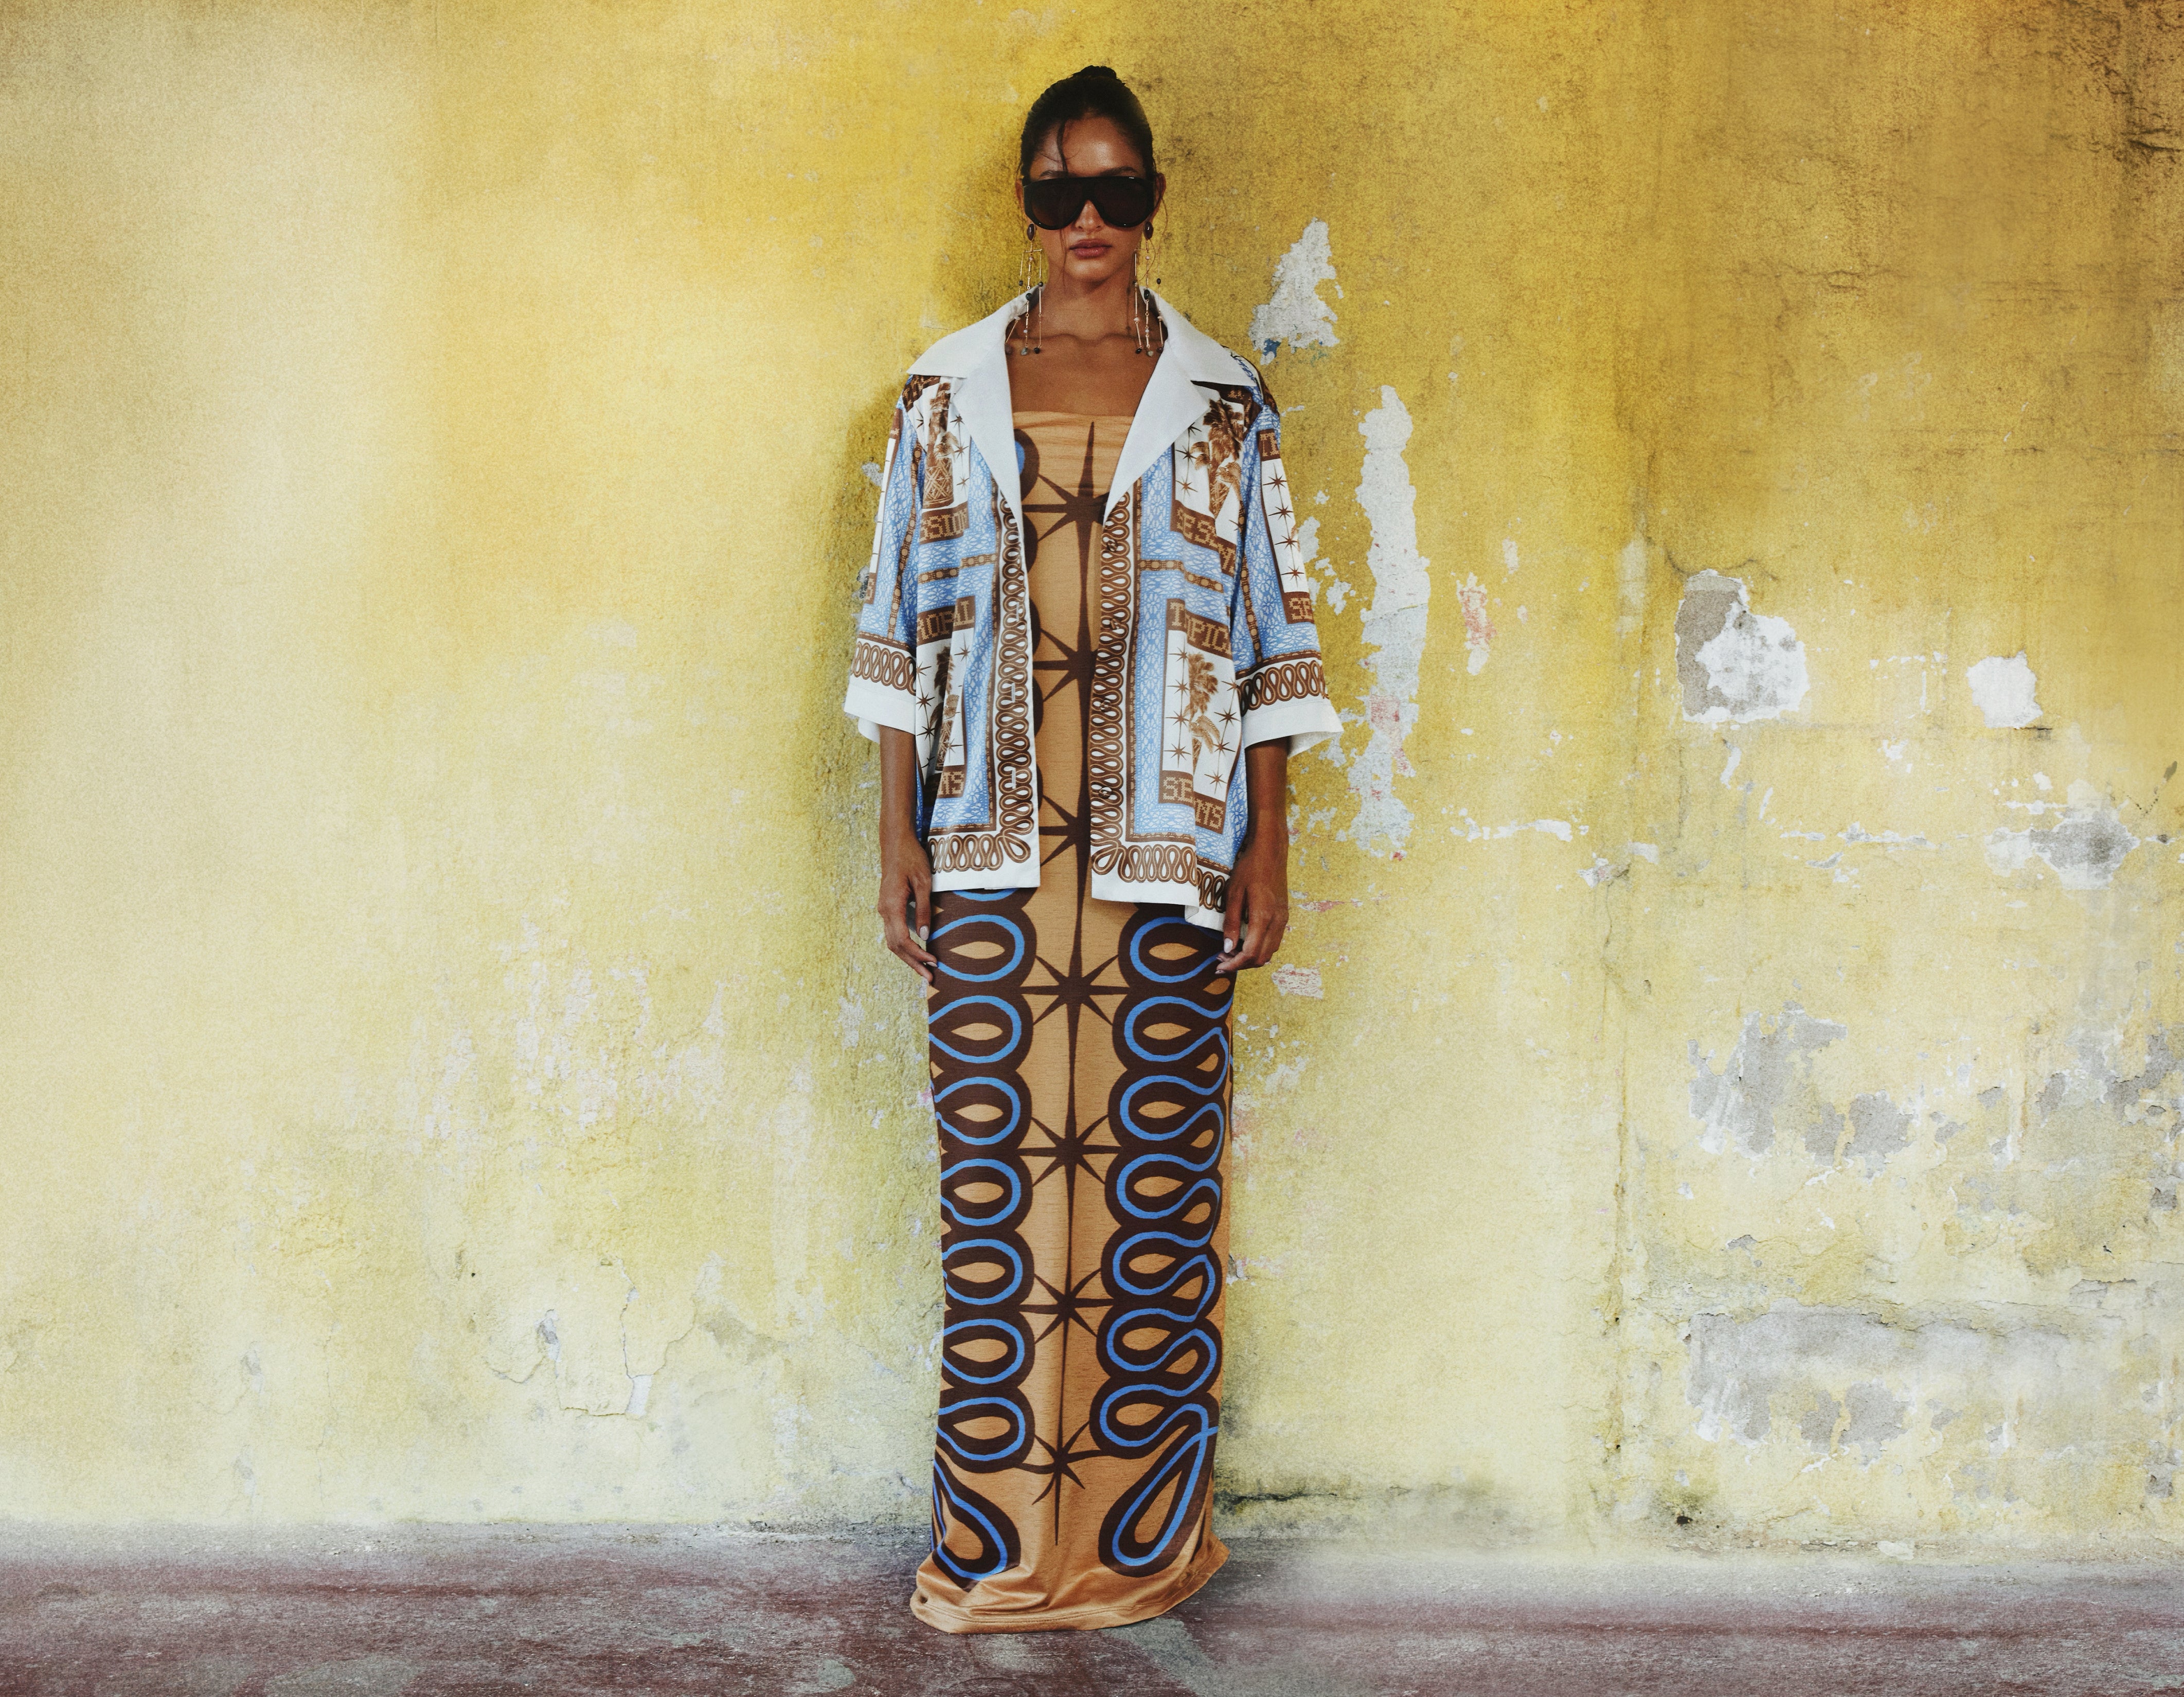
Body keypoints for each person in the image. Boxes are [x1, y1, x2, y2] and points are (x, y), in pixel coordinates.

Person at [840, 65, 1341, 1633]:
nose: (1089, 221)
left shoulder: (1223, 402)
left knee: (1150, 1198)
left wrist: (1270, 846)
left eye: (1117, 191)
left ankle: (1138, 1550)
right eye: (1062, 191)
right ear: (1027, 204)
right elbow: (894, 623)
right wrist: (896, 830)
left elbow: (1271, 639)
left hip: (1166, 853)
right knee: (1001, 1208)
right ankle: (995, 1554)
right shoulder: (943, 394)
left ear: (1152, 206)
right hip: (991, 848)